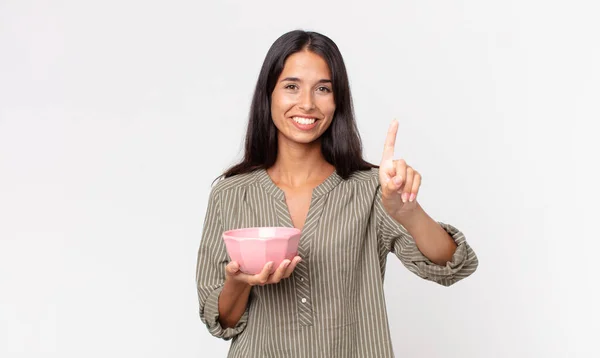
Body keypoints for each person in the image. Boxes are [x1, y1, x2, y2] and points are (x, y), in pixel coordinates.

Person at [195, 29, 478, 358]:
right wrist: (241, 281)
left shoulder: (371, 188)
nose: (307, 103)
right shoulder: (230, 194)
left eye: (323, 89)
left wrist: (407, 213)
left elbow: (451, 266)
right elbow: (221, 320)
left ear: (337, 99)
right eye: (291, 86)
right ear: (268, 94)